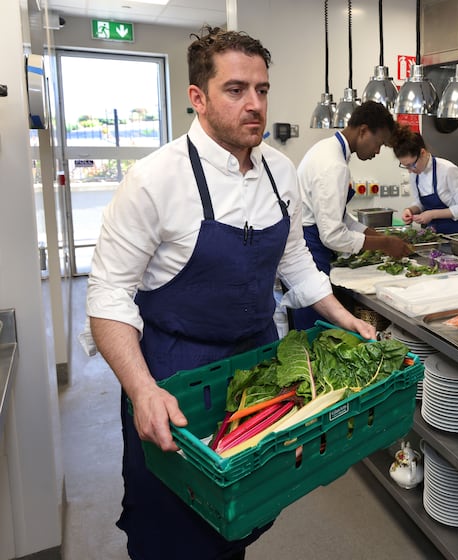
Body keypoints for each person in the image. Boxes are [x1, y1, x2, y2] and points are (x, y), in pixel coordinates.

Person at [82, 26, 375, 560]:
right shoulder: (153, 181)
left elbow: (295, 263)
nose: (255, 104)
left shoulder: (280, 173)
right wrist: (142, 391)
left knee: (238, 511)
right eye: (236, 90)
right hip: (175, 371)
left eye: (261, 90)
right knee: (171, 524)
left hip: (257, 367)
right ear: (198, 97)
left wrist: (342, 316)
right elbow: (107, 296)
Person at [294, 100, 412, 329]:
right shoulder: (334, 165)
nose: (378, 152)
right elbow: (332, 235)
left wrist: (372, 234)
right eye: (378, 143)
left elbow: (340, 217)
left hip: (311, 243)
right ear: (363, 131)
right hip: (311, 250)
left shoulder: (328, 150)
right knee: (314, 333)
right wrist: (384, 243)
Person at [391, 125, 458, 234]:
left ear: (423, 153)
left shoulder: (448, 170)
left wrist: (432, 214)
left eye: (411, 165)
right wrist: (410, 210)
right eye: (406, 166)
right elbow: (420, 203)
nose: (410, 171)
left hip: (456, 234)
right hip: (432, 235)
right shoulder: (415, 174)